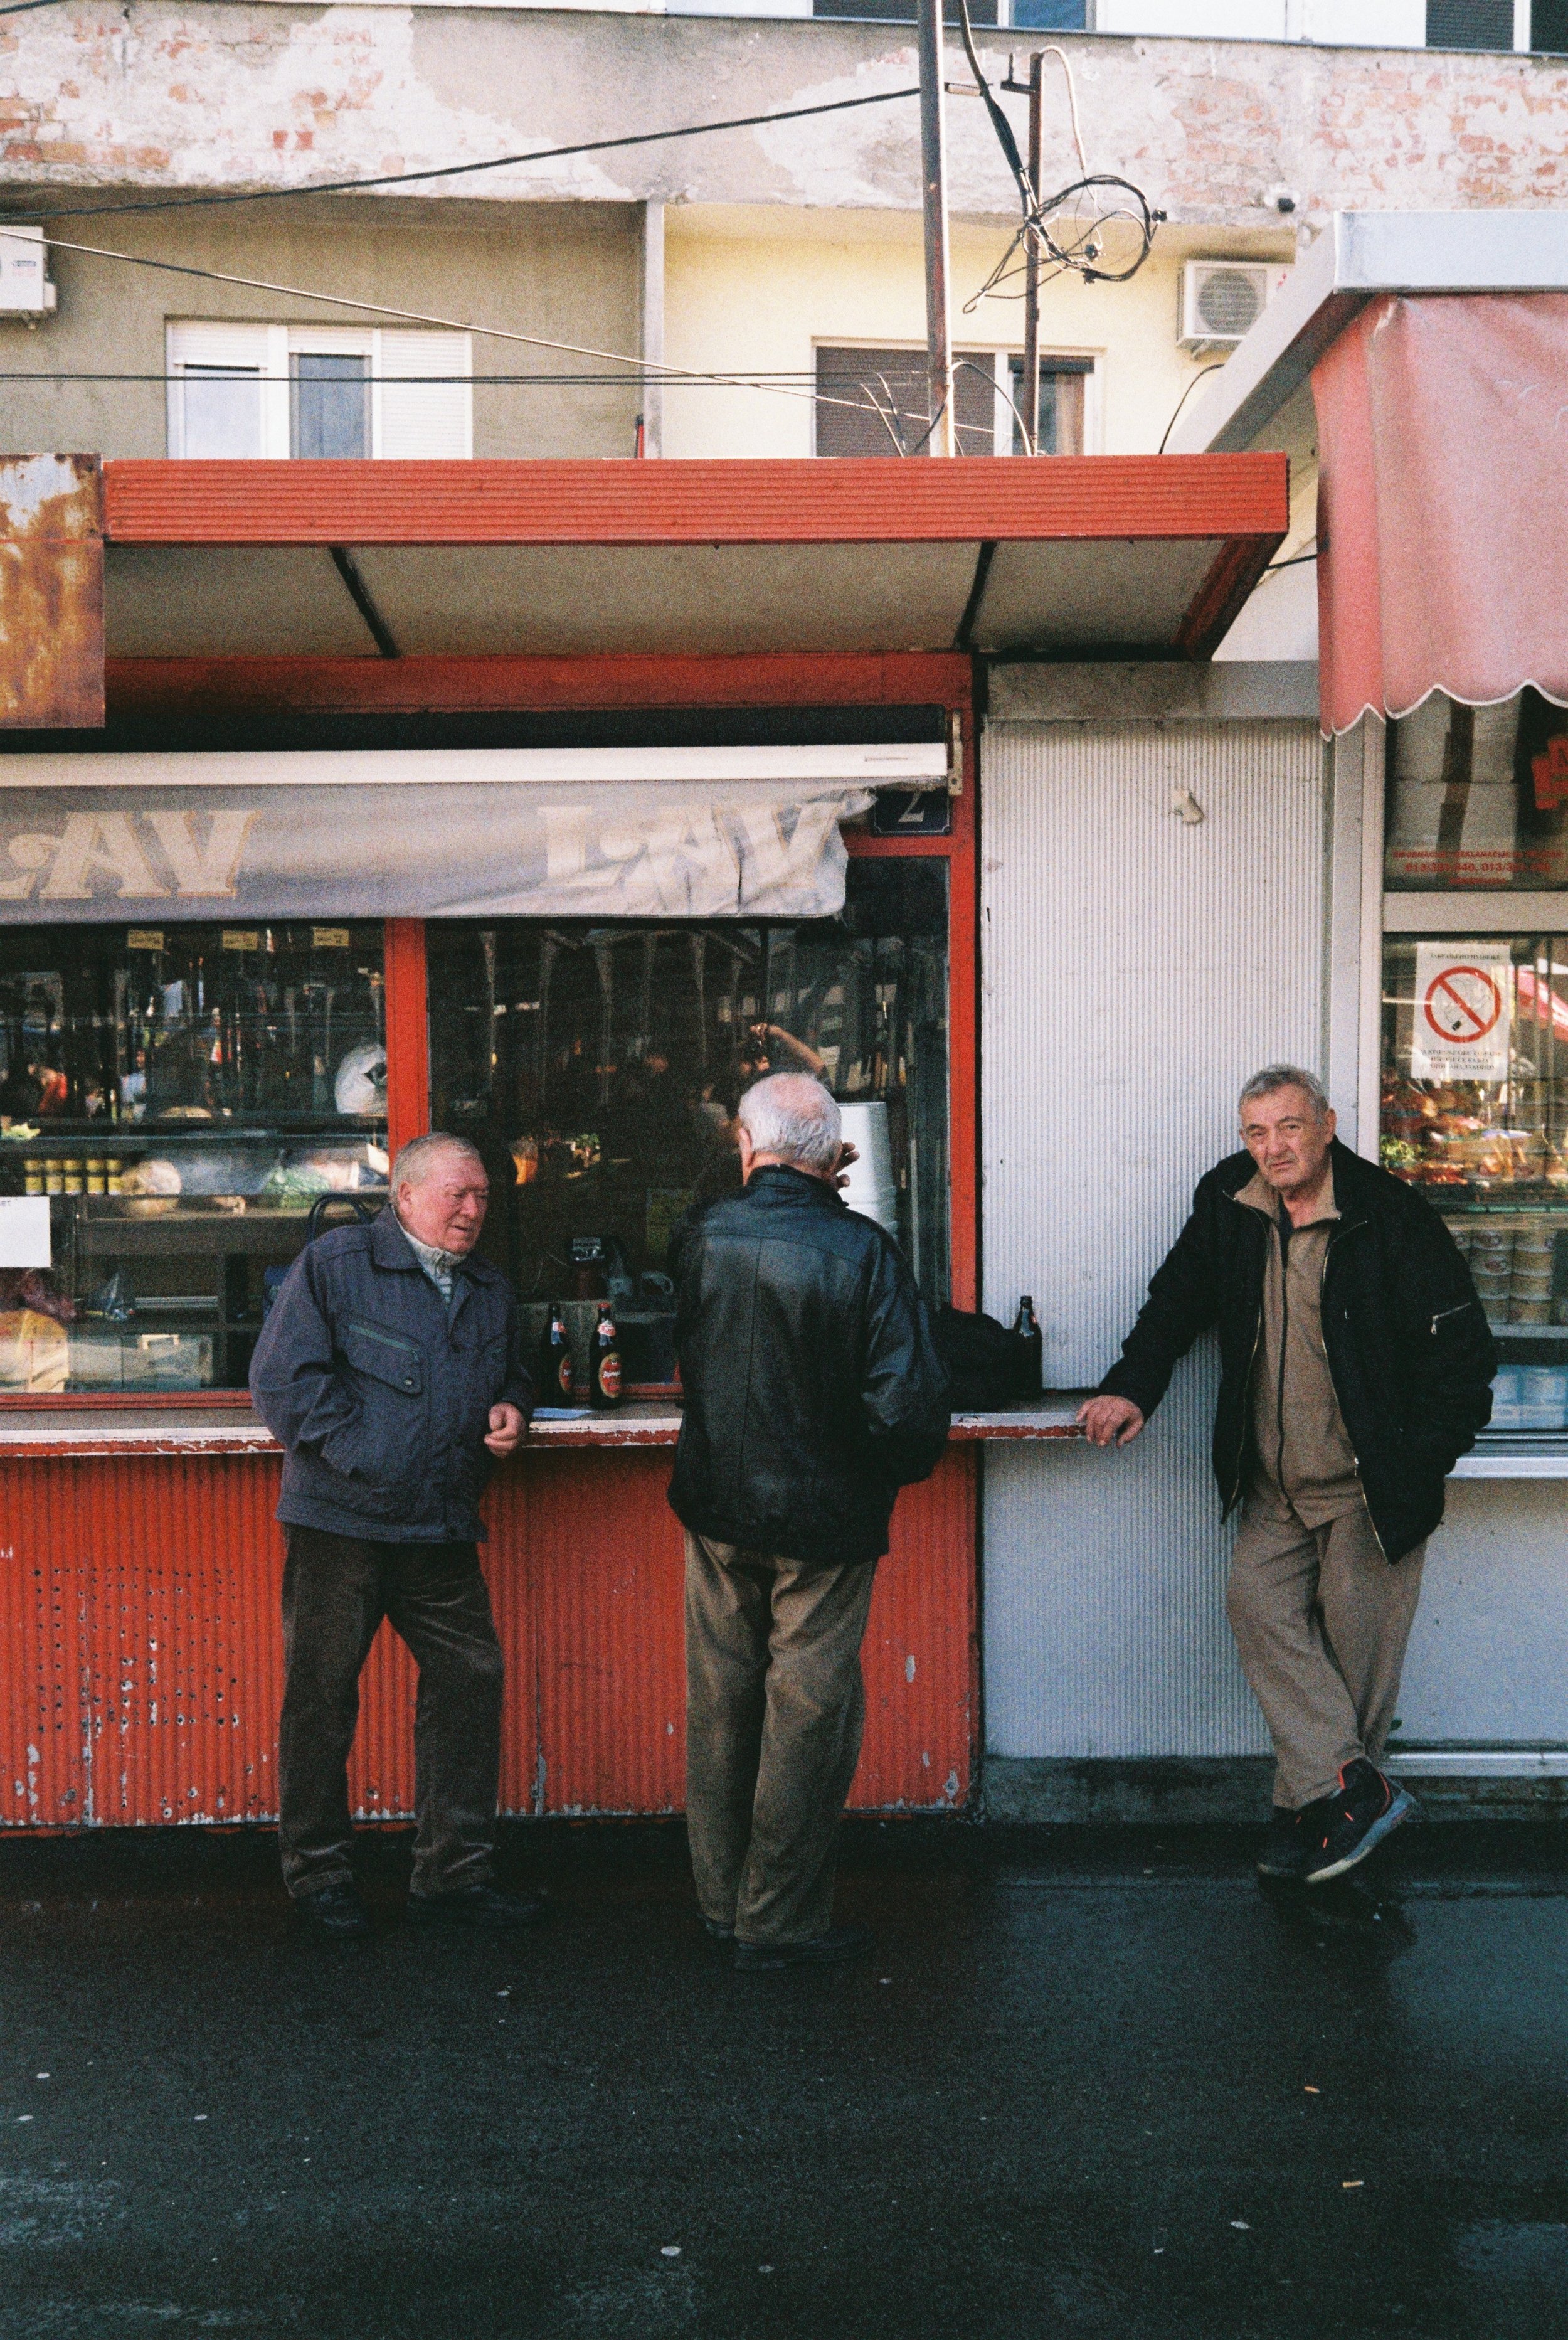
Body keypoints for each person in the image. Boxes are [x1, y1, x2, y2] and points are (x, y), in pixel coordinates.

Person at [1078, 1065, 1496, 1888]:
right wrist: (1133, 1386)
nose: (1273, 1147)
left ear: (1328, 1125)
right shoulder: (1230, 1202)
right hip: (1274, 1485)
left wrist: (1415, 1461)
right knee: (1256, 1607)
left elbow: (1465, 1358)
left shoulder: (1390, 1218)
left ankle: (1310, 1820)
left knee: (1357, 1672)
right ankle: (1350, 1799)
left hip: (1367, 1487)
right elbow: (1175, 1302)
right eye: (1256, 1131)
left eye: (1290, 1126)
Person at [670, 1072, 951, 1970]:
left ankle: (720, 1902)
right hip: (824, 1520)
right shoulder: (863, 1250)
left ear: (744, 1146)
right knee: (807, 1714)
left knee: (722, 1705)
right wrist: (877, 1473)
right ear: (833, 1154)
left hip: (716, 1506)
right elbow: (907, 1412)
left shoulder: (701, 1233)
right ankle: (780, 1917)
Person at [250, 1132, 538, 1938]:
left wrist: (514, 1407)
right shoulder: (338, 1266)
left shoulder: (488, 1287)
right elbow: (282, 1384)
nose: (474, 1210)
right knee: (321, 1698)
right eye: (457, 1194)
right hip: (341, 1525)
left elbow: (511, 1371)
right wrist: (366, 1458)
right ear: (405, 1195)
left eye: (482, 1196)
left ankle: (453, 1875)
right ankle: (319, 1876)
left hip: (440, 1524)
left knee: (471, 1679)